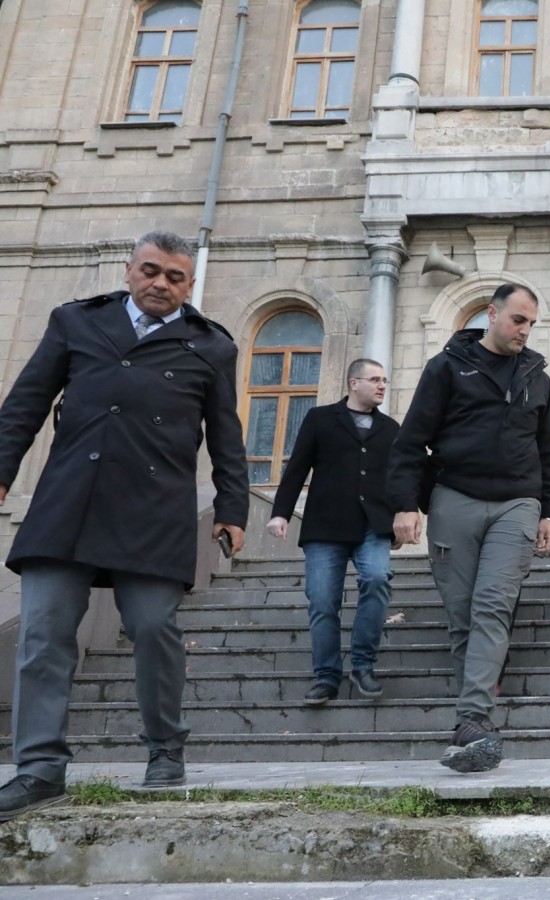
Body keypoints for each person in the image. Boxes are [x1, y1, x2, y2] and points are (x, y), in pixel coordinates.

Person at [0, 231, 249, 818]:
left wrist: (233, 509)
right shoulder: (75, 322)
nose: (160, 284)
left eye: (175, 277)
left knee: (153, 628)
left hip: (154, 508)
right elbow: (25, 402)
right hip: (69, 502)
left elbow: (227, 436)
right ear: (129, 269)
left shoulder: (210, 346)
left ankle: (165, 748)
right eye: (151, 271)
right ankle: (38, 768)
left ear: (191, 284)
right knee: (43, 635)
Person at [387, 283, 550, 774]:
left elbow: (547, 448)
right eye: (518, 320)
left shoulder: (537, 377)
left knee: (492, 605)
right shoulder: (446, 368)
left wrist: (549, 509)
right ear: (491, 314)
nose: (525, 330)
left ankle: (472, 719)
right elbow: (410, 441)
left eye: (532, 323)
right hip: (455, 500)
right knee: (462, 615)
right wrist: (405, 504)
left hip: (517, 504)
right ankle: (473, 725)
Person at [267, 359, 399, 706]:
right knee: (323, 601)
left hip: (374, 524)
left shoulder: (390, 428)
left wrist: (404, 515)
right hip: (325, 526)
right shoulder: (320, 418)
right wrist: (280, 513)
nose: (382, 385)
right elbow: (297, 467)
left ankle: (363, 665)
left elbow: (401, 478)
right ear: (353, 383)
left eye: (384, 380)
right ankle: (326, 677)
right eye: (374, 379)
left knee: (377, 579)